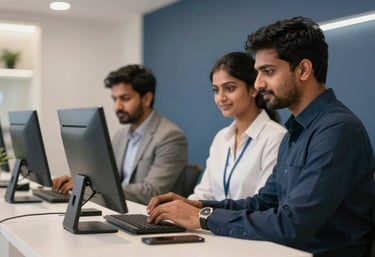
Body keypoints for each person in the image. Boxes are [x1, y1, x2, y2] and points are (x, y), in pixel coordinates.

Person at [146, 17, 375, 257]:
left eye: (268, 71)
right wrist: (198, 206)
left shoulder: (337, 131)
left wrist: (202, 218)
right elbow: (263, 202)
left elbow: (291, 226)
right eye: (257, 73)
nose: (258, 83)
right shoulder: (295, 133)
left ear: (304, 70)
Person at [53, 64, 188, 205]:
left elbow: (152, 192)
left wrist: (94, 187)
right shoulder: (121, 135)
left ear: (147, 99)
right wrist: (81, 182)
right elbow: (107, 179)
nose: (117, 106)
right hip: (121, 209)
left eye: (125, 98)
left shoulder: (171, 136)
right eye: (115, 99)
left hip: (150, 217)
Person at [189, 52, 286, 200]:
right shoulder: (221, 138)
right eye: (216, 90)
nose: (221, 98)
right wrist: (178, 209)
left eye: (229, 88)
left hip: (242, 222)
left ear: (253, 89)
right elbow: (204, 194)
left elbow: (262, 203)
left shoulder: (275, 138)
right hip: (211, 221)